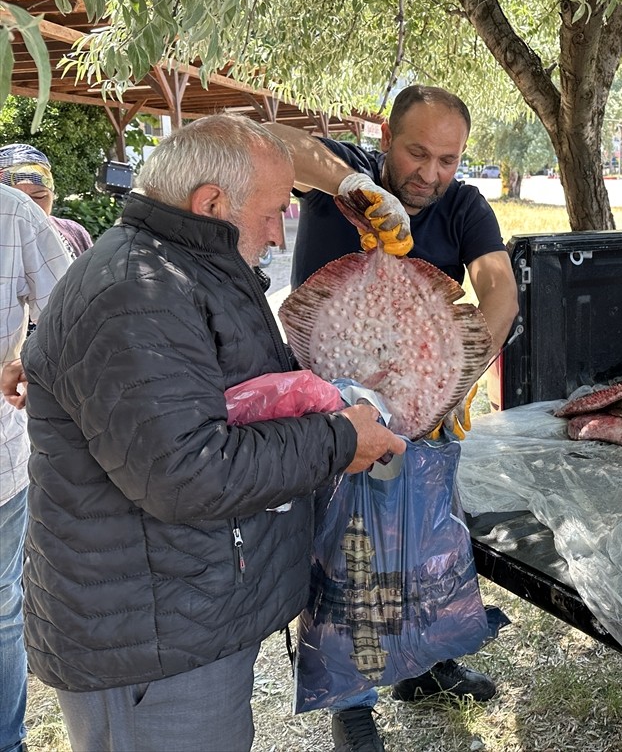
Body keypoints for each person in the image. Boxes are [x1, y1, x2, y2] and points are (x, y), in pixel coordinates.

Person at [12, 114, 404, 752]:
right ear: (212, 204)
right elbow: (190, 471)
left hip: (183, 615)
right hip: (151, 646)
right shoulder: (137, 292)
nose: (280, 233)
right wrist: (338, 441)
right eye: (274, 211)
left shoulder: (187, 267)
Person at [268, 84, 518, 752]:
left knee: (430, 541)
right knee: (345, 555)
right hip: (335, 411)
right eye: (417, 153)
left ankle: (430, 665)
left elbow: (498, 286)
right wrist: (350, 184)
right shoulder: (337, 177)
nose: (430, 173)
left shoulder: (462, 205)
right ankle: (349, 701)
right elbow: (266, 141)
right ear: (385, 137)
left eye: (447, 159)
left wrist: (461, 373)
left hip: (424, 405)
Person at [0, 184, 71, 752]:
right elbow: (71, 315)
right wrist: (31, 360)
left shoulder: (13, 210)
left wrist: (30, 362)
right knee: (1, 607)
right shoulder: (11, 211)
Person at [0, 143, 93, 258]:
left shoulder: (74, 233)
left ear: (52, 195)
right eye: (15, 199)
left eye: (39, 197)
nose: (29, 206)